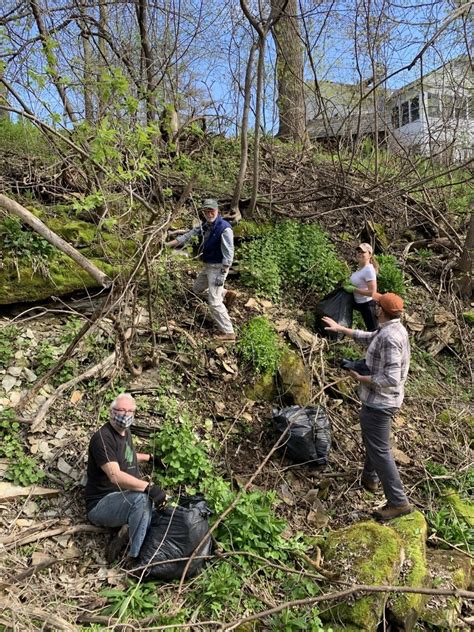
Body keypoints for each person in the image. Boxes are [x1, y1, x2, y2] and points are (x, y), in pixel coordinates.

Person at [322, 292, 413, 521]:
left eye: (377, 304)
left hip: (381, 402)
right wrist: (341, 329)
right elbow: (369, 337)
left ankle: (398, 502)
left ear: (381, 310)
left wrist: (362, 378)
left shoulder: (391, 337)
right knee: (375, 442)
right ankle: (369, 478)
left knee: (380, 450)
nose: (374, 306)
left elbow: (391, 378)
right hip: (383, 400)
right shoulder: (390, 329)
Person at [85, 393, 166, 563]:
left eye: (130, 411)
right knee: (142, 501)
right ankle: (135, 559)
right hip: (101, 503)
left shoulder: (125, 432)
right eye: (121, 410)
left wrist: (150, 458)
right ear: (111, 412)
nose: (125, 415)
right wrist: (147, 487)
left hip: (123, 497)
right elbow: (114, 475)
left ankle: (127, 531)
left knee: (161, 507)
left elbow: (127, 456)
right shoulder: (102, 438)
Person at [166, 199, 236, 342]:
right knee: (196, 289)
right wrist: (167, 245)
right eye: (206, 211)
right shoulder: (205, 225)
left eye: (212, 211)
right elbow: (187, 236)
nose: (209, 213)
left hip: (218, 268)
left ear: (217, 211)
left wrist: (222, 274)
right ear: (203, 212)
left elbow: (229, 255)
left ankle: (229, 333)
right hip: (208, 266)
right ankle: (225, 293)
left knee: (214, 301)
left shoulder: (224, 229)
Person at [344, 242, 378, 331]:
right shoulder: (359, 270)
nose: (359, 253)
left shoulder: (369, 270)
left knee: (374, 332)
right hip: (358, 303)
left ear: (370, 254)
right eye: (358, 251)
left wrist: (354, 289)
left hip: (368, 305)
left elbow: (372, 292)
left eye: (363, 252)